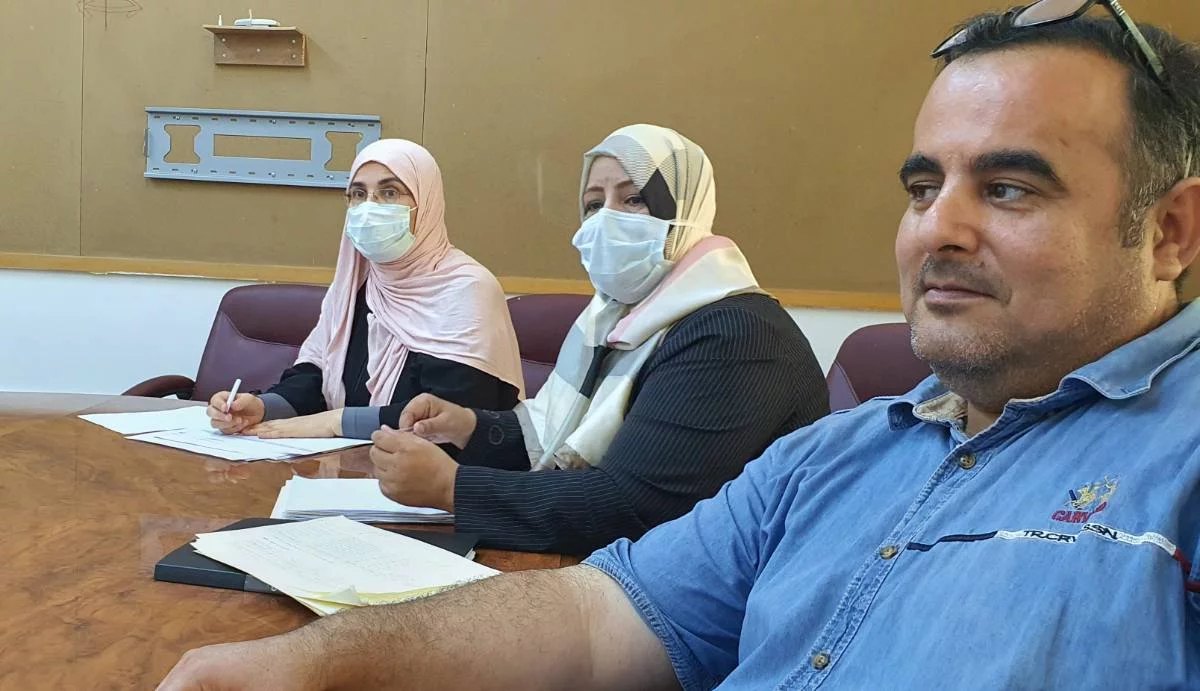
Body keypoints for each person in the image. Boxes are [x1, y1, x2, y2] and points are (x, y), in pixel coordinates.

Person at [160, 5, 1200, 690]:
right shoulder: (839, 457)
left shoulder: (737, 334)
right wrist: (309, 664)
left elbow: (625, 499)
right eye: (924, 187)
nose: (940, 229)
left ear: (1170, 232)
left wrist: (456, 487)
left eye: (1009, 188)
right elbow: (596, 616)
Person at [362, 124, 830, 554]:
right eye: (593, 204)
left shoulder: (734, 334)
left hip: (736, 595)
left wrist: (452, 488)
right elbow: (558, 437)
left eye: (633, 199)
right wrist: (468, 426)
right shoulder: (617, 316)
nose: (606, 219)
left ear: (685, 211)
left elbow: (632, 507)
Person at [205, 139, 524, 442]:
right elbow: (316, 377)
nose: (370, 207)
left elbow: (449, 418)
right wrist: (264, 407)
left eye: (389, 192)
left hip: (436, 473)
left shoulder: (467, 289)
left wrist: (336, 422)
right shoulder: (355, 285)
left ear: (426, 203)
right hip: (346, 465)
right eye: (358, 194)